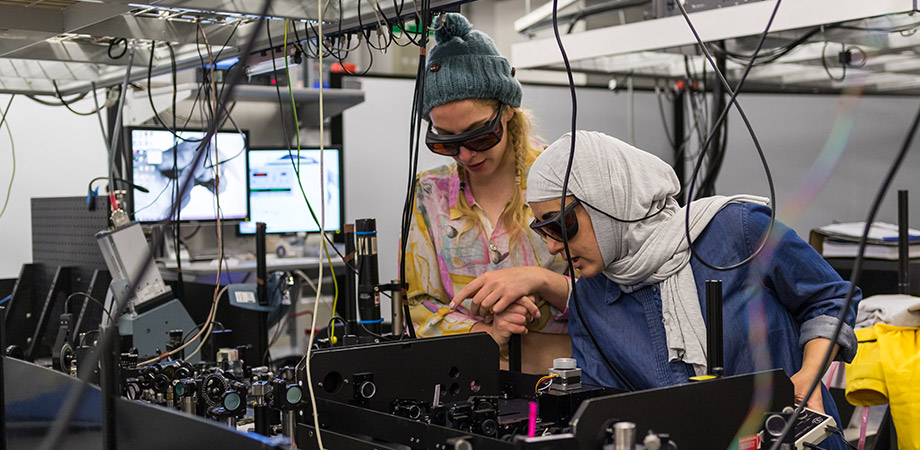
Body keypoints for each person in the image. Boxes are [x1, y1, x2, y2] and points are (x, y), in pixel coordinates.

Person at [467, 131, 858, 450]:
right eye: (543, 230)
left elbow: (829, 298)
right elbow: (607, 408)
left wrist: (808, 374)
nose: (553, 246)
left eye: (561, 225)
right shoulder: (591, 298)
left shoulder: (736, 229)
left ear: (609, 201)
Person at [404, 13, 572, 372]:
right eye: (447, 142)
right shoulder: (430, 193)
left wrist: (541, 282)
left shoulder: (564, 177)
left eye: (479, 136)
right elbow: (416, 303)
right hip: (468, 378)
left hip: (565, 376)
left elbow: (614, 297)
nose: (466, 155)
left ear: (508, 111)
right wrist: (482, 332)